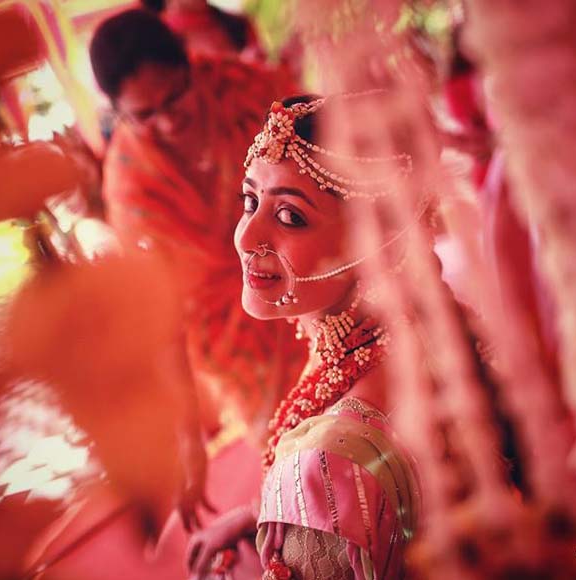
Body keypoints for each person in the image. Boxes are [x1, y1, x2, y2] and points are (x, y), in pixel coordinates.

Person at [186, 93, 430, 579]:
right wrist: (261, 510)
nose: (245, 236)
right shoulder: (420, 327)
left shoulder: (326, 464)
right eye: (250, 201)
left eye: (290, 216)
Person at [89, 9, 304, 519]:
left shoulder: (247, 90)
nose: (167, 120)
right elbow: (159, 314)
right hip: (235, 342)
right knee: (295, 448)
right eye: (143, 114)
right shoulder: (129, 186)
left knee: (368, 407)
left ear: (188, 63)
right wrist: (188, 437)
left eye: (174, 97)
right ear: (118, 111)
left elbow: (323, 159)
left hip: (311, 277)